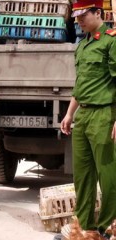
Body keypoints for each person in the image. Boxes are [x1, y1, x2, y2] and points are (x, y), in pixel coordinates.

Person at [60, 0, 116, 238]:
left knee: (108, 173)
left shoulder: (111, 41)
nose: (79, 20)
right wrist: (70, 113)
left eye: (84, 15)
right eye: (77, 17)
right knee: (82, 174)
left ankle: (108, 226)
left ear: (98, 12)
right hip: (83, 114)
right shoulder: (82, 46)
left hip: (104, 113)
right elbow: (81, 84)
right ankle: (85, 228)